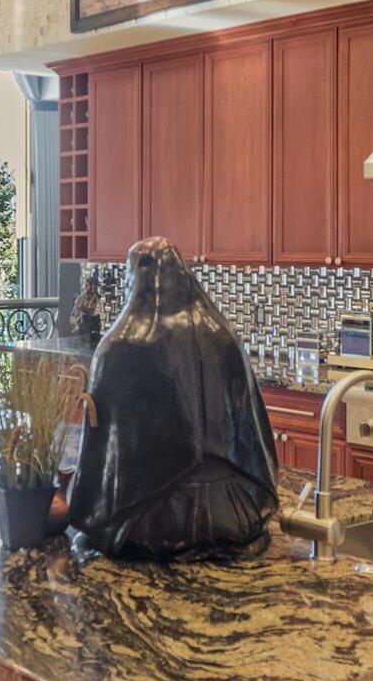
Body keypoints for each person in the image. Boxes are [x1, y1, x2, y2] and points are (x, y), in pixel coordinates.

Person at [63, 238, 279, 561]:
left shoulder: (119, 346)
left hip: (150, 523)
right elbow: (254, 437)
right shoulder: (224, 336)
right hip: (236, 511)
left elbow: (103, 460)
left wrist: (78, 508)